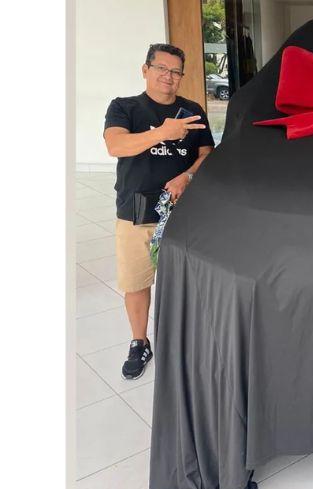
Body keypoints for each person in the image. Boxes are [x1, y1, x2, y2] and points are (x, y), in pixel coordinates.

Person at [104, 43, 214, 379]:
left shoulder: (192, 110)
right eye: (162, 68)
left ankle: (187, 341)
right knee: (136, 282)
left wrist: (187, 175)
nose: (169, 76)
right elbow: (115, 145)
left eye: (176, 71)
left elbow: (207, 154)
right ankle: (140, 342)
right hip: (135, 212)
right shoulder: (124, 107)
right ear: (146, 70)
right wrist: (163, 133)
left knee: (187, 281)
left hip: (184, 212)